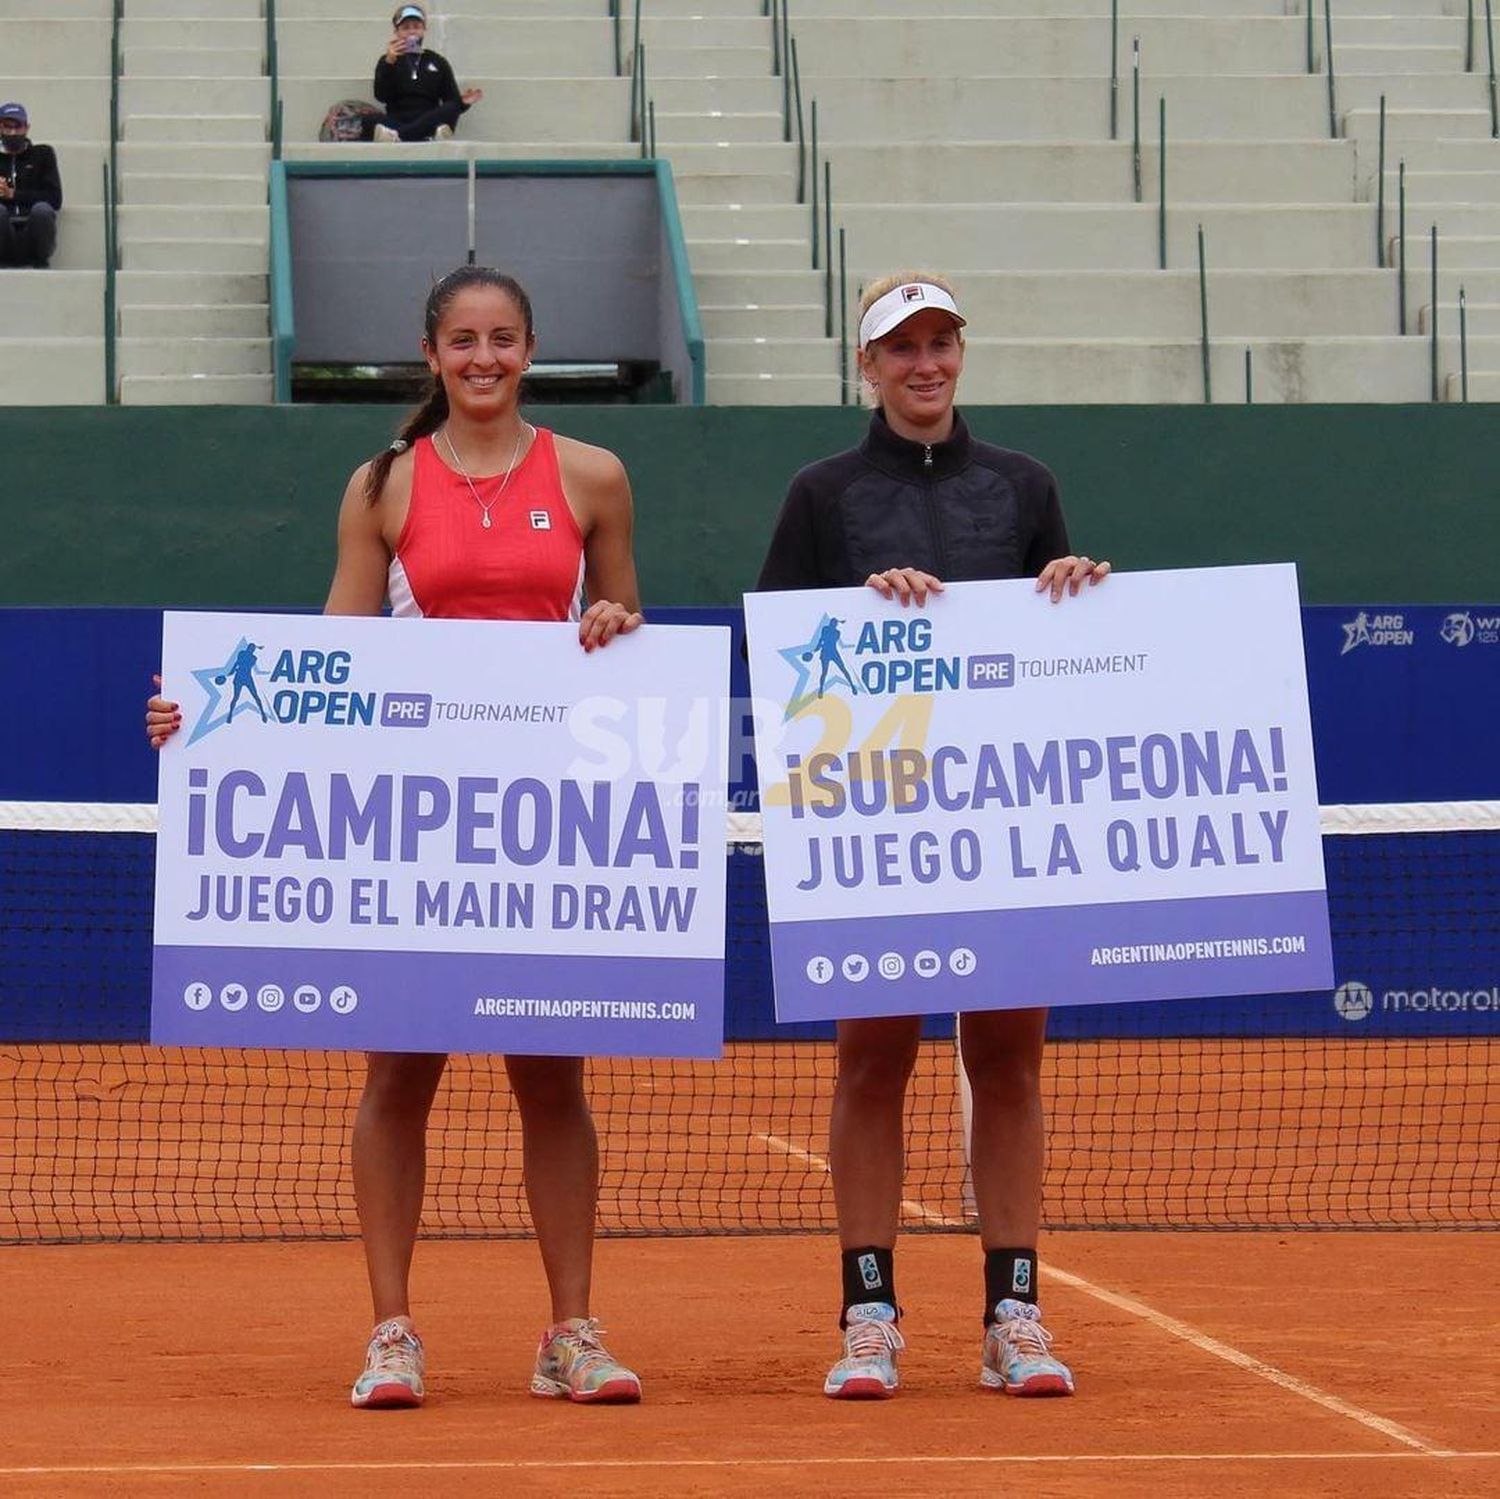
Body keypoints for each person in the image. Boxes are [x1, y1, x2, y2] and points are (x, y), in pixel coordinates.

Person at [146, 266, 645, 1410]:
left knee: (552, 1079)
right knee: (397, 1077)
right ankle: (391, 1331)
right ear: (431, 353)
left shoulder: (593, 476)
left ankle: (571, 1331)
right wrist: (206, 721)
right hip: (415, 827)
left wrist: (616, 624)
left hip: (541, 826)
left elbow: (629, 631)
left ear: (530, 349)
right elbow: (333, 658)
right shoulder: (379, 485)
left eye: (504, 339)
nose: (483, 358)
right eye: (463, 340)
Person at [753, 271, 1110, 1401]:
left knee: (1006, 1062)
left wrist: (1072, 583)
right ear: (867, 366)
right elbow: (780, 654)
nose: (924, 364)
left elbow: (1063, 659)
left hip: (1004, 829)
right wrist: (858, 609)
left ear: (961, 354)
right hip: (878, 823)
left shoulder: (1025, 485)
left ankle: (1015, 1314)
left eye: (941, 343)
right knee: (873, 1063)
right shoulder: (822, 493)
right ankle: (869, 1313)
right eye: (901, 348)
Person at [371, 4, 483, 143]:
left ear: (424, 30)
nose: (412, 31)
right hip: (397, 119)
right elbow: (381, 96)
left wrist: (463, 103)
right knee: (367, 119)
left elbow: (451, 100)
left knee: (451, 108)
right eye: (405, 28)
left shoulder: (437, 61)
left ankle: (398, 136)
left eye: (416, 27)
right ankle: (421, 135)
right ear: (397, 32)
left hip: (429, 118)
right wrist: (388, 63)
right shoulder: (387, 60)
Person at [0, 103, 61, 269]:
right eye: (7, 127)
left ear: (26, 128)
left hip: (33, 233)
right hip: (3, 235)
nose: (12, 132)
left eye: (17, 126)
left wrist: (13, 194)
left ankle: (39, 261)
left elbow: (55, 199)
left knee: (43, 210)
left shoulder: (43, 154)